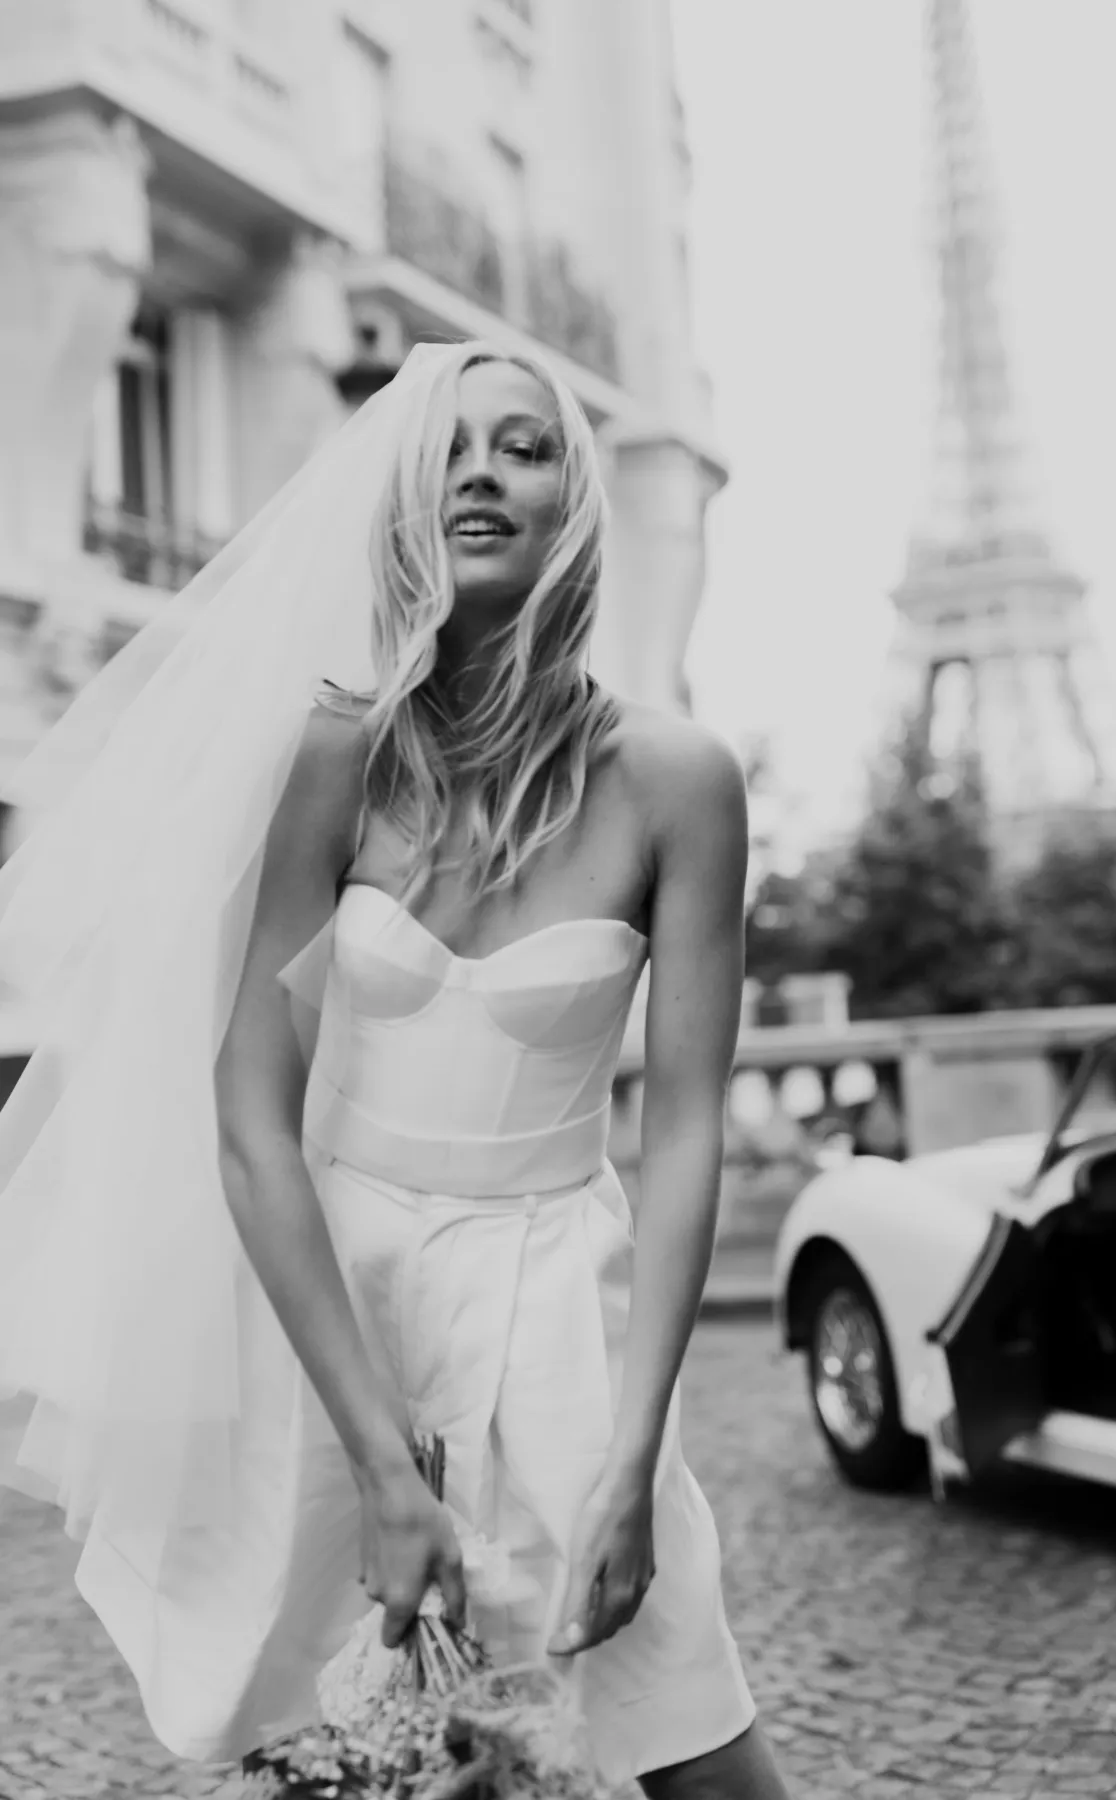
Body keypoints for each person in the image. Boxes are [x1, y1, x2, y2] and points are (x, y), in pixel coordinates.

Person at [0, 342, 789, 1799]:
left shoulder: (679, 779)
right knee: (336, 1751)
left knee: (694, 1745)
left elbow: (684, 1130)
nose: (480, 473)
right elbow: (251, 1113)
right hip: (325, 1312)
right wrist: (376, 1456)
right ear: (405, 503)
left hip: (556, 1304)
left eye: (523, 447)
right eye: (448, 450)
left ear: (575, 504)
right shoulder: (336, 756)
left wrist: (632, 1458)